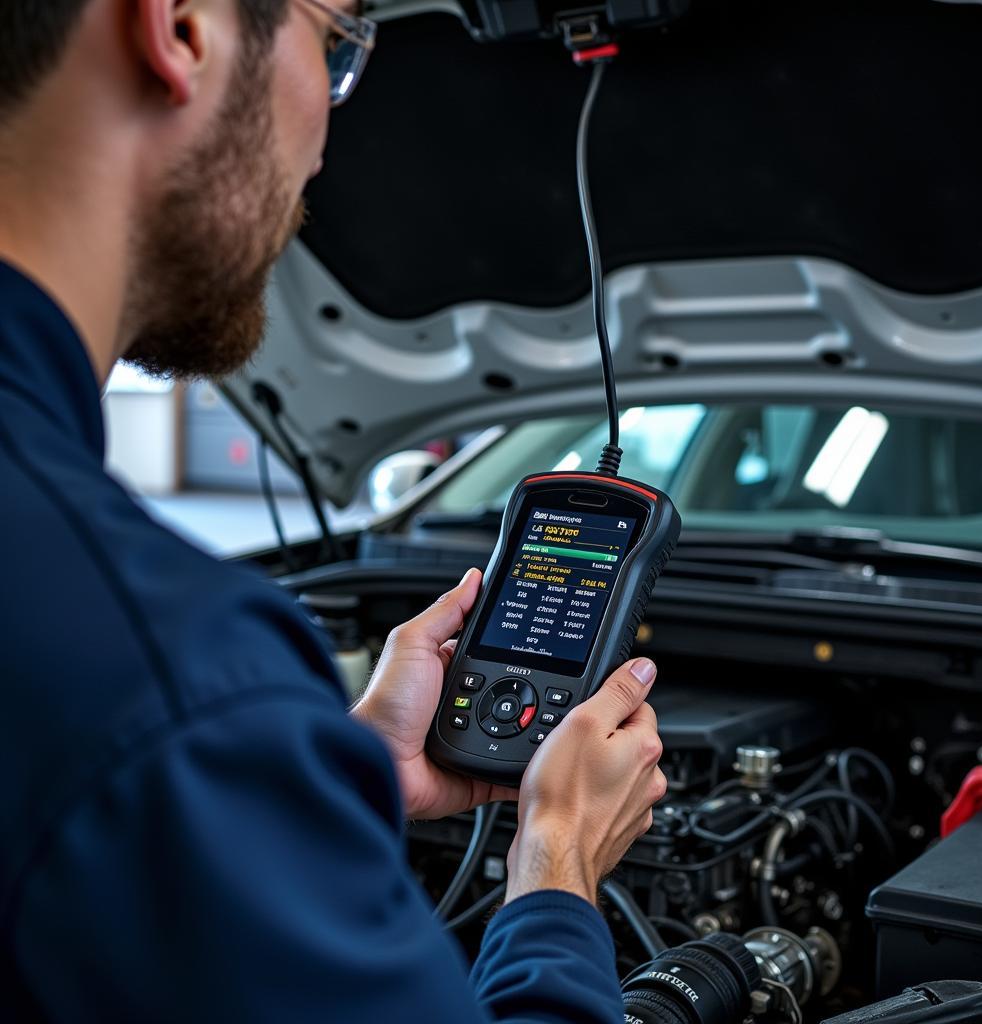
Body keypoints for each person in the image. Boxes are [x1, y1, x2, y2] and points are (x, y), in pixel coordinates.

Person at [0, 1, 668, 1020]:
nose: (325, 141)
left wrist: (318, 783)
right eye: (337, 45)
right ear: (180, 28)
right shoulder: (169, 681)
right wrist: (558, 868)